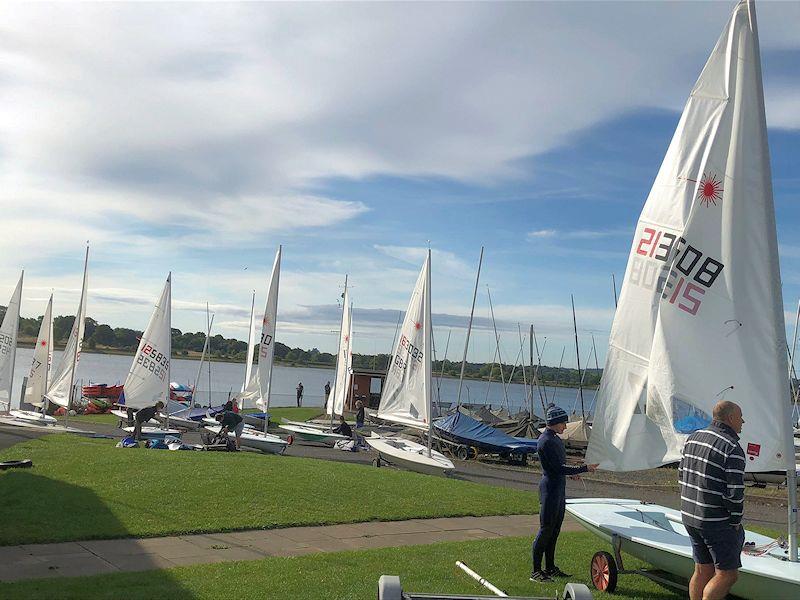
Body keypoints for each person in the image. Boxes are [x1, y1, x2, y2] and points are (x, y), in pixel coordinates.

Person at [679, 401, 746, 600]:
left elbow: (682, 474)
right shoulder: (732, 448)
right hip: (715, 521)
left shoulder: (693, 438)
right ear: (731, 418)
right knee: (727, 574)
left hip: (690, 516)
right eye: (740, 417)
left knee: (702, 570)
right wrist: (734, 523)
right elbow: (735, 494)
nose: (743, 421)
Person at [531, 404, 598, 582]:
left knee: (555, 530)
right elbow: (557, 467)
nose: (566, 426)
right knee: (546, 530)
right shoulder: (545, 440)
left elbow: (560, 464)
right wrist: (583, 468)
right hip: (550, 490)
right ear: (555, 423)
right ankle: (536, 571)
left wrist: (573, 469)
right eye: (563, 423)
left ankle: (550, 567)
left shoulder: (554, 438)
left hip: (558, 488)